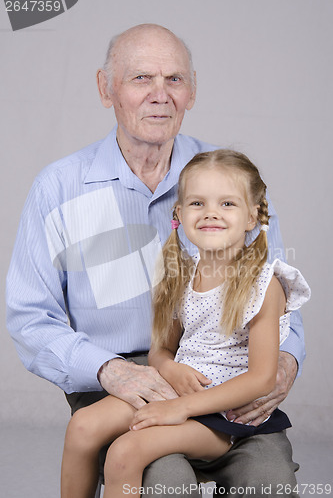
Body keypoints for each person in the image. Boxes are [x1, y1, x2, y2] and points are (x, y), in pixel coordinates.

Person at [6, 24, 305, 497]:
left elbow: (276, 299)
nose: (160, 95)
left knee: (267, 480)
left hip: (227, 374)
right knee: (164, 480)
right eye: (141, 78)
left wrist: (286, 360)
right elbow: (29, 318)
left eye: (175, 80)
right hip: (115, 373)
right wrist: (110, 369)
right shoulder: (58, 189)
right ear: (107, 88)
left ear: (192, 93)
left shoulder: (229, 178)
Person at [61, 149, 310, 498]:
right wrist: (169, 369)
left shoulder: (263, 285)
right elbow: (162, 348)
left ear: (253, 215)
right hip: (177, 389)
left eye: (227, 204)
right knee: (82, 426)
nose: (211, 213)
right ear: (179, 213)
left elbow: (262, 378)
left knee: (124, 453)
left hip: (224, 414)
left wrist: (179, 408)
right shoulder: (180, 273)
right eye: (197, 203)